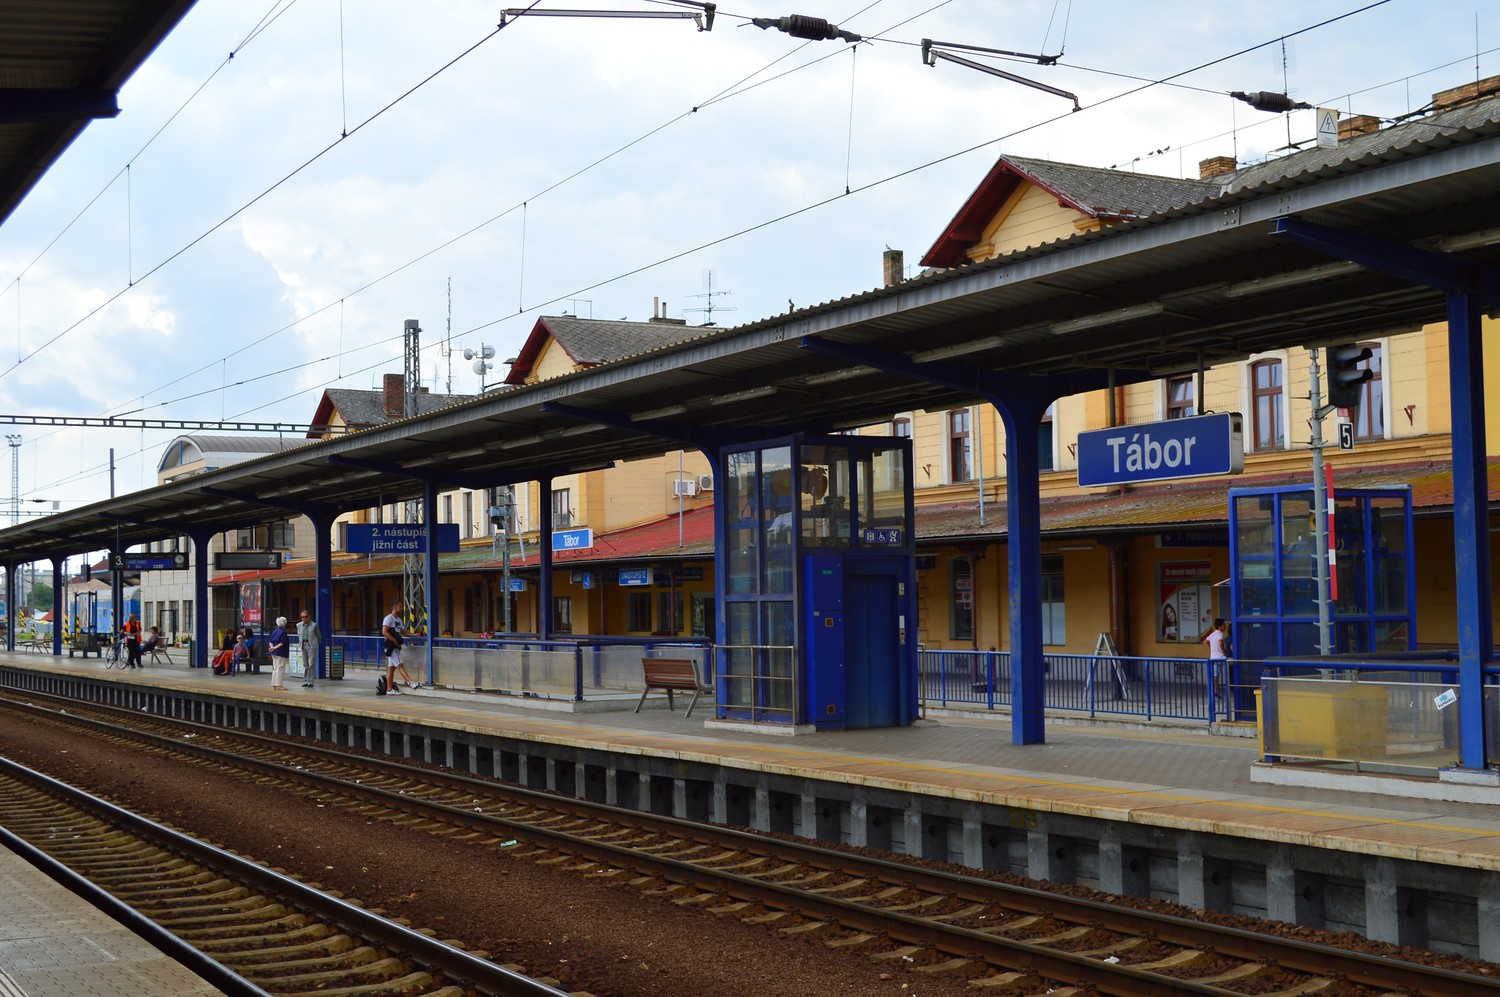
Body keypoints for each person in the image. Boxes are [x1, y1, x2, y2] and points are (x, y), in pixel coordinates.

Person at [380, 601, 405, 695]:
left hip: (396, 646)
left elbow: (404, 632)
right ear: (394, 608)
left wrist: (416, 634)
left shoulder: (399, 620)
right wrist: (394, 640)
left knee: (391, 668)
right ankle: (411, 682)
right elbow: (384, 632)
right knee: (400, 664)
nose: (401, 608)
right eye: (400, 607)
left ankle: (389, 689)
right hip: (390, 645)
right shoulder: (388, 618)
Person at [296, 609, 322, 689]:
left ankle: (310, 681)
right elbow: (299, 635)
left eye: (306, 617)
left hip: (312, 646)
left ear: (309, 617)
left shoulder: (314, 625)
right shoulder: (299, 625)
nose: (304, 618)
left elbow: (318, 635)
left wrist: (317, 643)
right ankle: (306, 680)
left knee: (311, 664)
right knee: (305, 664)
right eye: (302, 617)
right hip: (303, 645)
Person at [268, 616, 290, 691]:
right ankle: (279, 685)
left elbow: (270, 641)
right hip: (281, 652)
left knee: (275, 668)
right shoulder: (283, 632)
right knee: (280, 668)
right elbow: (282, 643)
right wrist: (275, 648)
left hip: (274, 653)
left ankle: (274, 684)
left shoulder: (274, 631)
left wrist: (272, 648)